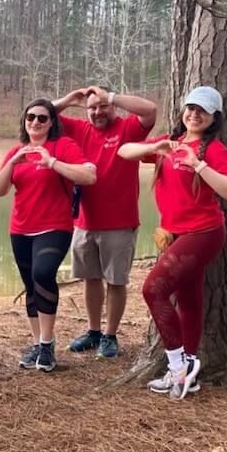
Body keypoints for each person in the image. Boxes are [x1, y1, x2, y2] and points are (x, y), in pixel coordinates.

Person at [117, 86, 227, 399]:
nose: (194, 115)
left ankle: (178, 368)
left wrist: (199, 165)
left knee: (153, 290)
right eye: (191, 108)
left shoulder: (212, 149)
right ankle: (189, 369)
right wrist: (158, 146)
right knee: (188, 299)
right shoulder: (170, 143)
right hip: (174, 234)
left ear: (214, 117)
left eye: (203, 111)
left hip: (202, 233)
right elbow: (123, 152)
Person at [0, 99, 97, 372]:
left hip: (55, 227)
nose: (35, 122)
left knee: (43, 273)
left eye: (42, 118)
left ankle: (47, 344)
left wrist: (52, 162)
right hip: (20, 229)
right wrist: (12, 162)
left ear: (51, 122)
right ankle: (38, 343)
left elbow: (88, 176)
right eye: (30, 117)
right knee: (31, 284)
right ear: (24, 122)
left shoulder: (63, 146)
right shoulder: (17, 151)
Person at [52, 85, 157, 358]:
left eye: (103, 106)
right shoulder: (79, 129)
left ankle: (110, 335)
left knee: (116, 281)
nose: (98, 112)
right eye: (92, 108)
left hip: (119, 222)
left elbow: (150, 111)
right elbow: (43, 114)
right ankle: (94, 331)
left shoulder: (127, 129)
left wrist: (110, 96)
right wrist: (70, 99)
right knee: (91, 278)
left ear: (113, 106)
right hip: (84, 222)